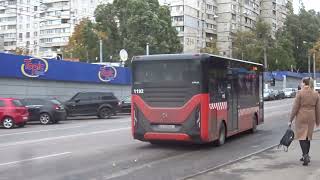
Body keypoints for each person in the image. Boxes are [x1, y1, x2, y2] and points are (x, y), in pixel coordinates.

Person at [289, 77, 320, 166]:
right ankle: (306, 155)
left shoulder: (300, 93)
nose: (301, 84)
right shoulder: (315, 94)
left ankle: (305, 155)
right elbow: (318, 109)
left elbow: (295, 108)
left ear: (304, 83)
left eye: (301, 83)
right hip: (311, 117)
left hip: (301, 116)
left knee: (301, 137)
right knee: (307, 137)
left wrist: (290, 120)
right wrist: (318, 121)